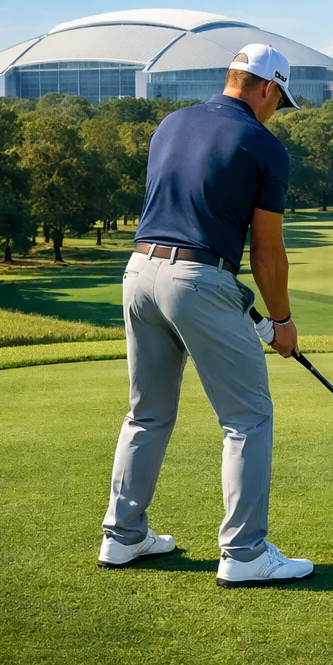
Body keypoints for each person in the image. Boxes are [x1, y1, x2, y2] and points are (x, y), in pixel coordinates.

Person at [98, 43, 314, 588]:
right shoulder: (264, 146)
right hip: (196, 279)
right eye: (279, 101)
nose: (276, 112)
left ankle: (122, 537)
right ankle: (244, 553)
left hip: (139, 273)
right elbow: (266, 251)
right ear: (267, 88)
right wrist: (282, 322)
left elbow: (182, 212)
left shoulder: (170, 124)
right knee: (247, 418)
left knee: (146, 414)